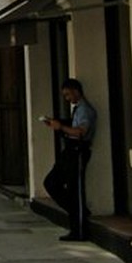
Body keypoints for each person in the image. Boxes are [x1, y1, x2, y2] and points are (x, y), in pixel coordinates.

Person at [42, 78, 96, 241]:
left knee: (75, 190)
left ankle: (79, 229)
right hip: (69, 151)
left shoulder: (85, 110)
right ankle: (76, 211)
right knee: (51, 182)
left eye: (67, 95)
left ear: (76, 91)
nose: (67, 98)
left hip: (78, 150)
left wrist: (61, 127)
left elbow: (81, 132)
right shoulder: (77, 110)